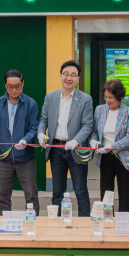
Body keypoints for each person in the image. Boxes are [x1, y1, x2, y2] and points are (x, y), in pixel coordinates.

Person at [37, 60, 93, 217]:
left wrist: (75, 140)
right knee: (57, 191)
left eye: (73, 75)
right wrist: (41, 134)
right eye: (66, 74)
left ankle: (84, 225)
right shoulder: (51, 97)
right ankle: (56, 225)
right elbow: (43, 120)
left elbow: (88, 125)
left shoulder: (85, 99)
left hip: (77, 149)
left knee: (81, 190)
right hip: (56, 149)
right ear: (60, 76)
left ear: (78, 78)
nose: (69, 78)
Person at [0, 70, 40, 215]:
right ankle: (6, 226)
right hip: (3, 159)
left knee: (31, 196)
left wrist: (25, 140)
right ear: (5, 85)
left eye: (17, 86)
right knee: (3, 197)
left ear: (23, 83)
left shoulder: (31, 104)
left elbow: (34, 128)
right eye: (10, 86)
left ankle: (32, 226)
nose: (14, 90)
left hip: (25, 159)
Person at [90, 79, 129, 212]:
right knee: (106, 194)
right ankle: (107, 221)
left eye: (110, 97)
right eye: (105, 97)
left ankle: (123, 224)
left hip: (124, 157)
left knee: (124, 194)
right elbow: (94, 131)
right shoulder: (99, 110)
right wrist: (94, 142)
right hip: (105, 158)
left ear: (120, 96)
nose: (107, 101)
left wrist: (111, 146)